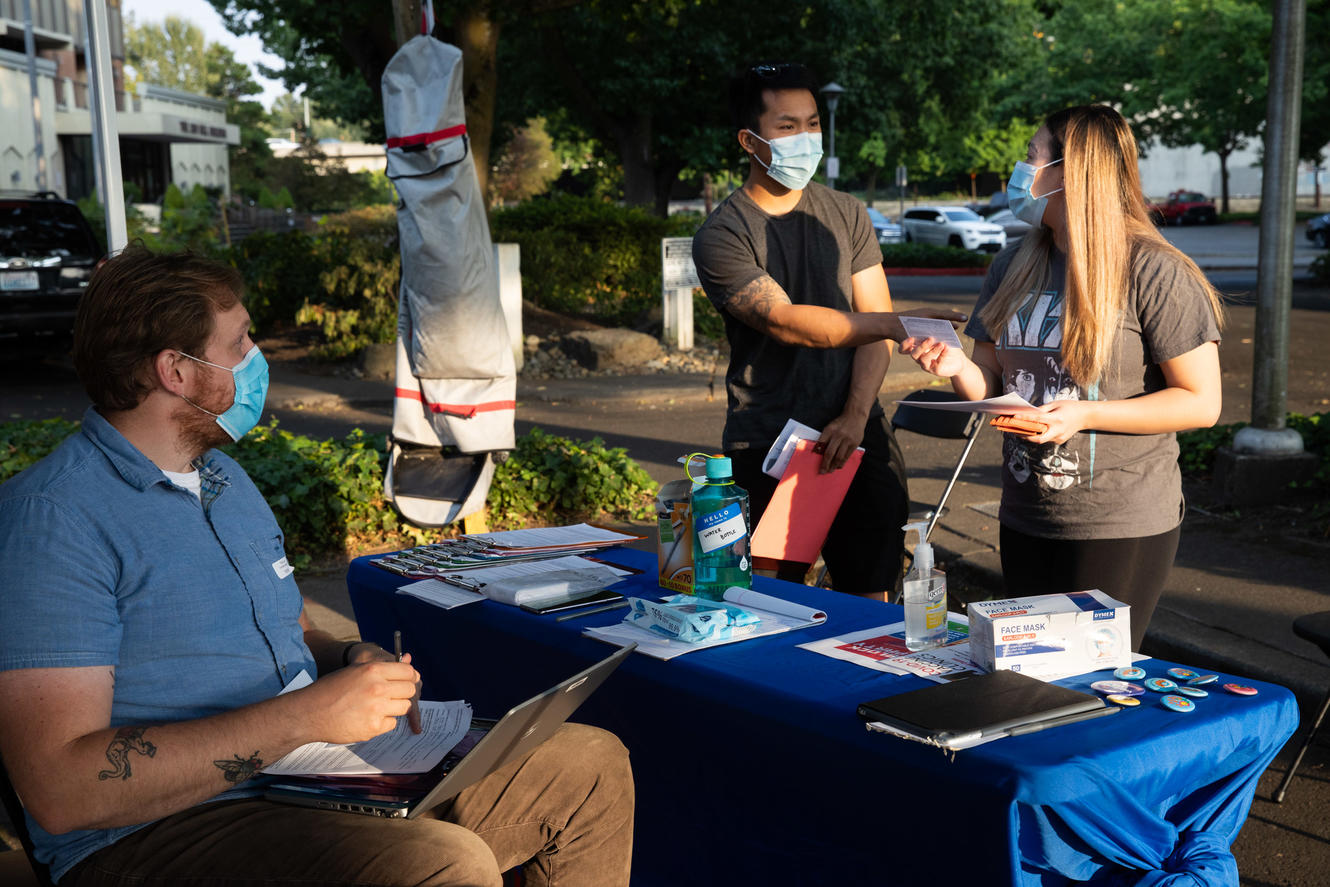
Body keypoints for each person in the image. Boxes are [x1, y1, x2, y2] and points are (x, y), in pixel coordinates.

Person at [0, 247, 634, 887]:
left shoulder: (223, 480)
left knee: (585, 767)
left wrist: (353, 659)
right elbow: (62, 788)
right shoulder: (53, 518)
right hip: (157, 834)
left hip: (310, 776)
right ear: (176, 372)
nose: (256, 355)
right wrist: (305, 717)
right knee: (438, 863)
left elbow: (296, 632)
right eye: (239, 339)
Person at [900, 104, 1225, 650]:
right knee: (1029, 681)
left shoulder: (1154, 269)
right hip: (1026, 511)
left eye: (1031, 156)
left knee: (1089, 689)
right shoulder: (1013, 265)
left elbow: (1201, 402)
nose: (1019, 170)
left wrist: (1085, 414)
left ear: (1073, 173)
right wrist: (957, 367)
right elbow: (992, 386)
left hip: (1120, 521)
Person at [692, 62, 961, 600]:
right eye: (787, 127)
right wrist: (900, 322)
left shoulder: (846, 213)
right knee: (765, 601)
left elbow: (873, 332)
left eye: (813, 123)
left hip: (858, 438)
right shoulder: (722, 235)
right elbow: (792, 324)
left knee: (872, 598)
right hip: (768, 440)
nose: (806, 138)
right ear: (750, 140)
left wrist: (857, 415)